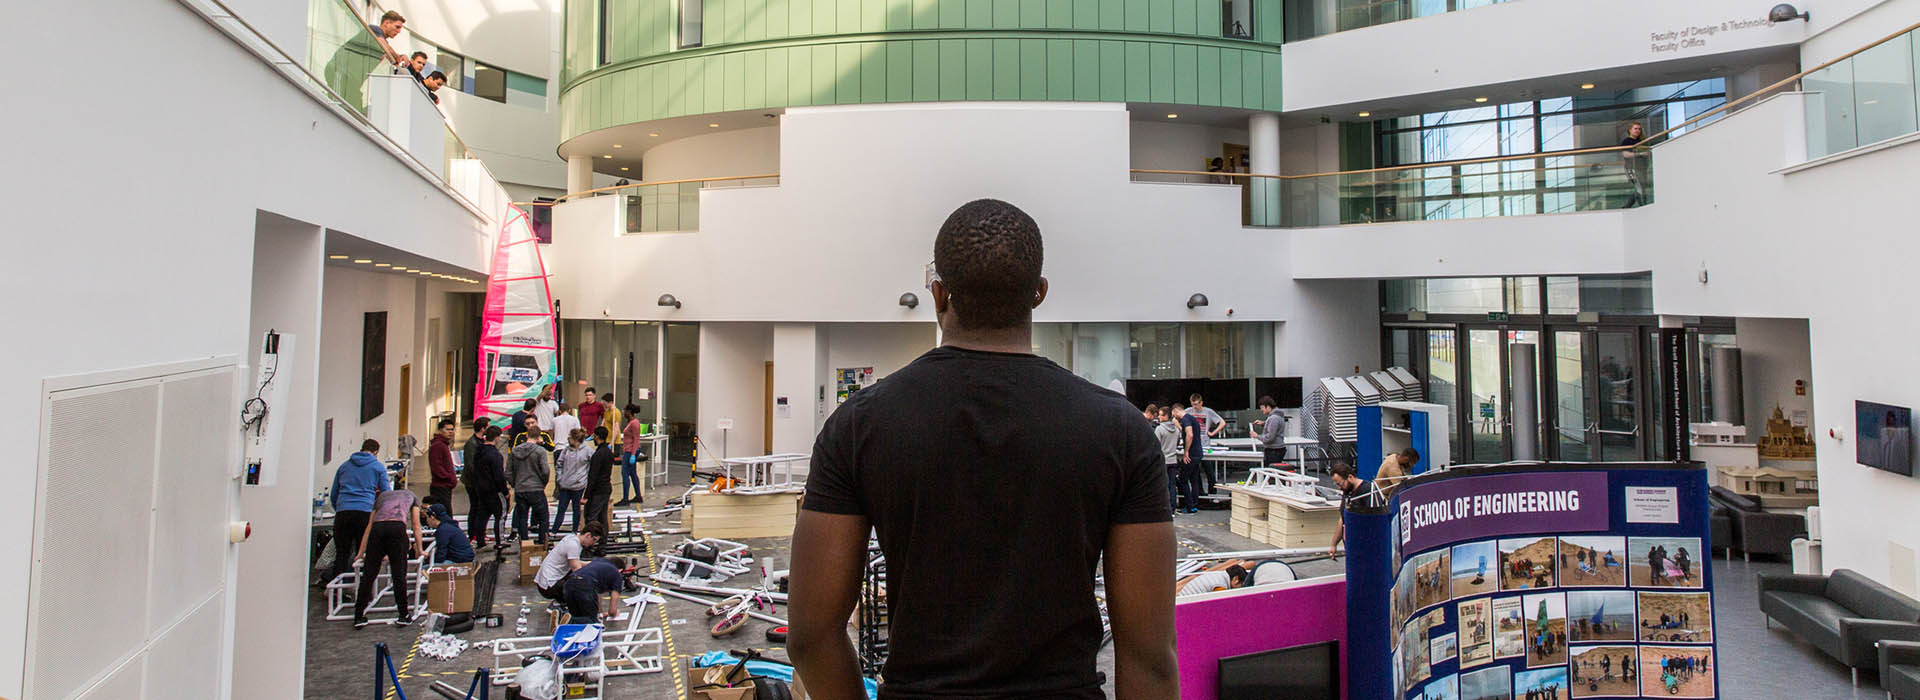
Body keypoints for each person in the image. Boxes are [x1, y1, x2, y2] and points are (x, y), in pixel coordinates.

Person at [787, 199, 1175, 700]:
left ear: (938, 293)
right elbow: (1150, 656)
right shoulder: (1120, 431)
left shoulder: (860, 426)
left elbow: (810, 635)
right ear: (1038, 294)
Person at [352, 483, 424, 628]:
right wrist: (420, 550)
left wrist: (360, 553)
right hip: (397, 528)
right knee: (399, 574)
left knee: (369, 574)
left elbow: (369, 526)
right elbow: (416, 524)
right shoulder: (412, 496)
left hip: (377, 530)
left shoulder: (381, 497)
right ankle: (403, 614)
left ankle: (358, 616)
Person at [326, 439, 391, 583]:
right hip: (365, 513)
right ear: (375, 452)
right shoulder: (378, 467)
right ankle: (363, 588)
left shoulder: (344, 466)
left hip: (343, 513)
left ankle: (337, 590)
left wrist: (341, 509)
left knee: (342, 553)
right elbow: (386, 493)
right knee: (364, 553)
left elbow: (334, 494)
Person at [534, 522, 604, 601]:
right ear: (588, 535)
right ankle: (562, 603)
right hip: (548, 587)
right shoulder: (574, 545)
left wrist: (591, 564)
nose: (593, 544)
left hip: (544, 582)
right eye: (594, 540)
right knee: (581, 585)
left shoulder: (572, 537)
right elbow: (577, 571)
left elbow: (574, 562)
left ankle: (560, 601)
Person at [466, 426, 509, 549]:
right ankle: (500, 541)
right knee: (500, 515)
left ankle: (480, 540)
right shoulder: (495, 455)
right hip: (494, 490)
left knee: (482, 515)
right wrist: (504, 491)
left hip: (481, 489)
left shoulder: (478, 452)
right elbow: (499, 476)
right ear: (497, 438)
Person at [508, 430, 552, 545]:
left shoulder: (514, 451)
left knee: (522, 517)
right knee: (543, 517)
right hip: (536, 487)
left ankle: (525, 543)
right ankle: (542, 542)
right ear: (538, 437)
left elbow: (508, 472)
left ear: (526, 435)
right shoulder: (540, 451)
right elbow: (546, 470)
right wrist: (543, 483)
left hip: (520, 488)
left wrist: (515, 483)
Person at [558, 556, 628, 624]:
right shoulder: (616, 574)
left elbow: (598, 594)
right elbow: (612, 608)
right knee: (590, 622)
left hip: (569, 582)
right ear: (620, 570)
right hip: (586, 584)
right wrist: (614, 613)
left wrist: (600, 613)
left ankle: (567, 623)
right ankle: (576, 623)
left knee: (577, 616)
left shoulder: (597, 562)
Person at [1327, 462, 1377, 557]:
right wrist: (1334, 544)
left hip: (1364, 545)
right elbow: (1343, 519)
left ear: (1350, 477)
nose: (1339, 488)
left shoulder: (1367, 491)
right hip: (1351, 545)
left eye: (1340, 484)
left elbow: (1374, 521)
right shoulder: (1347, 491)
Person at [552, 429, 593, 533]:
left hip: (578, 485)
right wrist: (560, 478)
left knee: (576, 509)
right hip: (565, 484)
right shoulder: (566, 450)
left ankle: (575, 530)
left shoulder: (587, 451)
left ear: (576, 439)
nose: (568, 439)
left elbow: (594, 463)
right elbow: (559, 464)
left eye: (570, 437)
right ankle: (554, 529)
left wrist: (584, 478)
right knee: (561, 508)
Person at [1173, 402, 1205, 514]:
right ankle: (1195, 504)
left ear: (1176, 411)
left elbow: (1189, 434)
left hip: (1191, 454)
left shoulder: (1186, 419)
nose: (1174, 416)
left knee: (1183, 479)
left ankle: (1189, 506)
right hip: (1198, 453)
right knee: (1194, 479)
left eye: (1174, 414)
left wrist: (1186, 451)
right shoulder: (1191, 418)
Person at [1189, 393, 1224, 493]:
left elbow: (1222, 422)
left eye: (1196, 404)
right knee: (1195, 473)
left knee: (1210, 472)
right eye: (1193, 404)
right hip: (1194, 447)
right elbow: (1175, 419)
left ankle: (1212, 494)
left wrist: (1212, 433)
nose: (1194, 407)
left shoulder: (1208, 412)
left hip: (1206, 446)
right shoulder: (1189, 411)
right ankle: (1200, 494)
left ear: (1201, 403)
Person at [585, 427, 618, 527]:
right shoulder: (608, 453)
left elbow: (593, 476)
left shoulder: (598, 454)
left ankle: (592, 535)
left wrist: (586, 495)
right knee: (603, 516)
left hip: (598, 489)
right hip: (606, 487)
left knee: (592, 516)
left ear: (597, 437)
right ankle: (603, 538)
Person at [1154, 406, 1181, 515]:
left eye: (1160, 414)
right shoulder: (1176, 429)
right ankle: (1173, 508)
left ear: (1166, 416)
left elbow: (1156, 445)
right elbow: (1178, 443)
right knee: (1172, 485)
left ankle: (1163, 508)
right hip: (1173, 460)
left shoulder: (1159, 429)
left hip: (1163, 461)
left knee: (1162, 486)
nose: (1159, 417)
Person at [618, 404, 646, 505]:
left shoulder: (634, 423)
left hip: (630, 451)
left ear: (629, 412)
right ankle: (638, 496)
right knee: (633, 473)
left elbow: (636, 439)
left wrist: (633, 454)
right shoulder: (631, 422)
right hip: (629, 450)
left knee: (625, 473)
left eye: (625, 410)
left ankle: (625, 499)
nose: (623, 412)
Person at [426, 419, 458, 508]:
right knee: (444, 514)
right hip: (441, 486)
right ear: (440, 431)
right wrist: (449, 478)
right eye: (447, 429)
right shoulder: (438, 445)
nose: (450, 432)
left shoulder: (444, 444)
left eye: (452, 429)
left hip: (445, 486)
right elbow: (436, 466)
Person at [1249, 395, 1286, 467]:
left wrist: (1256, 436)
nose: (1261, 410)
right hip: (1277, 449)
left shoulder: (1273, 418)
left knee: (1271, 473)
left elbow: (1269, 437)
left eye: (1262, 407)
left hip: (1274, 451)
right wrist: (1264, 423)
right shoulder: (1277, 416)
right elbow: (1275, 427)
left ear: (1268, 406)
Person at [1620, 122, 1648, 206]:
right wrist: (1640, 154)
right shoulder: (1627, 141)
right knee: (1638, 186)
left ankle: (1630, 205)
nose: (1638, 130)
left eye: (1639, 129)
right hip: (1631, 168)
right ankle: (1640, 205)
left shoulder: (1641, 141)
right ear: (1630, 130)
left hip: (1642, 167)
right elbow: (1625, 154)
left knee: (1642, 187)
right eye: (1635, 128)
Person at [1178, 564, 1248, 596]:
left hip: (1183, 597)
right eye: (1241, 584)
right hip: (1186, 602)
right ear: (1236, 579)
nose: (1240, 588)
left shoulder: (1219, 574)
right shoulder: (1221, 585)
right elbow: (1220, 604)